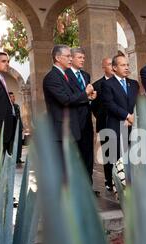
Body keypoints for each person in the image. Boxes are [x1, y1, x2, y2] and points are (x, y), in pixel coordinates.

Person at [43, 45, 96, 176]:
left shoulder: (63, 75)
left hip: (72, 127)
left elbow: (72, 97)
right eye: (67, 56)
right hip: (62, 129)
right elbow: (65, 99)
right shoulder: (52, 77)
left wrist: (88, 97)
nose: (70, 59)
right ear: (57, 58)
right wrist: (85, 93)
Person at [101, 54, 139, 174]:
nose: (127, 67)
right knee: (118, 159)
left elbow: (137, 102)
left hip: (133, 126)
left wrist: (133, 117)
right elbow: (110, 104)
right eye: (123, 65)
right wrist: (127, 116)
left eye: (127, 65)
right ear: (114, 68)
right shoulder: (107, 84)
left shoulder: (133, 84)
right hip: (116, 126)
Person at [65, 47, 98, 187]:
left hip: (86, 121)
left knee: (88, 155)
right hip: (72, 121)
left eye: (83, 58)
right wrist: (86, 93)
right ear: (71, 58)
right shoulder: (64, 75)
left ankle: (88, 185)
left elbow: (85, 96)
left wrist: (91, 98)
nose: (83, 60)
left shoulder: (85, 75)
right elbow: (69, 98)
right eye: (80, 57)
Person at [92, 57, 115, 191]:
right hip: (105, 124)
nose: (112, 66)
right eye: (109, 64)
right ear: (103, 67)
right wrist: (102, 117)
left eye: (113, 64)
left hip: (120, 123)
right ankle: (108, 180)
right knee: (108, 153)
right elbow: (94, 107)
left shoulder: (120, 82)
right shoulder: (97, 85)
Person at [8, 92, 24, 164]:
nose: (13, 98)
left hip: (18, 127)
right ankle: (12, 157)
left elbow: (19, 117)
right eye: (11, 97)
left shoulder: (16, 106)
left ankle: (18, 158)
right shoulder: (7, 107)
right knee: (12, 143)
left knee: (19, 143)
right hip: (11, 127)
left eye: (13, 96)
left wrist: (21, 126)